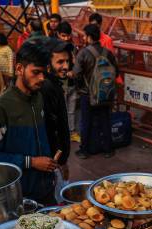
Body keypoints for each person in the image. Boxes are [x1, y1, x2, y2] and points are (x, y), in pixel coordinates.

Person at [0, 41, 57, 205]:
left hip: (46, 189)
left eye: (44, 73)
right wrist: (31, 162)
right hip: (19, 197)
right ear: (19, 69)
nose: (41, 79)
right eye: (36, 72)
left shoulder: (38, 97)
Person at [74, 24, 118, 159]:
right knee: (105, 120)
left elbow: (77, 74)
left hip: (87, 94)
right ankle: (108, 150)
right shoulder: (107, 52)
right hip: (105, 93)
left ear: (88, 37)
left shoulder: (83, 53)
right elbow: (116, 71)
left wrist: (80, 89)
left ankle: (84, 150)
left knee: (86, 121)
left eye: (84, 36)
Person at [41, 38, 72, 179]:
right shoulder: (47, 87)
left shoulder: (54, 84)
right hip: (52, 161)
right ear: (48, 64)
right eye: (60, 62)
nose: (66, 66)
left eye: (67, 61)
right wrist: (60, 161)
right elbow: (51, 128)